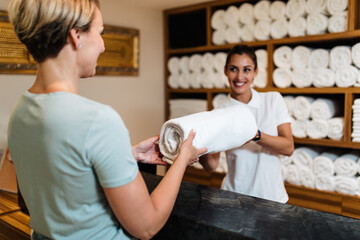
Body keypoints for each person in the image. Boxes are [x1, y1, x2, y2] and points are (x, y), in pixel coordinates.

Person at [6, 0, 207, 239]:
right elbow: (147, 225)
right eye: (100, 33)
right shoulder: (98, 120)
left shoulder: (21, 110)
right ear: (76, 36)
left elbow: (59, 169)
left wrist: (124, 154)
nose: (102, 46)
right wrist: (182, 159)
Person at [200, 44, 294, 203]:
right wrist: (199, 146)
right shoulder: (220, 113)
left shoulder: (272, 100)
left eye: (247, 69)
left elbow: (288, 147)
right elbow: (212, 166)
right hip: (234, 197)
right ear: (225, 71)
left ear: (255, 72)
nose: (239, 77)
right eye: (234, 69)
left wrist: (254, 135)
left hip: (272, 197)